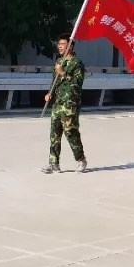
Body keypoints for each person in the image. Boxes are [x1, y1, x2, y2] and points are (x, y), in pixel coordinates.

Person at [41, 36, 88, 174]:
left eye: (63, 44)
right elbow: (54, 82)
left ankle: (81, 159)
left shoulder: (77, 63)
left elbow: (77, 84)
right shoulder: (59, 62)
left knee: (70, 132)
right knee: (54, 133)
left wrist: (63, 73)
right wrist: (50, 93)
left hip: (70, 103)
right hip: (58, 102)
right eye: (59, 44)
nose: (59, 47)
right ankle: (53, 163)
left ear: (70, 46)